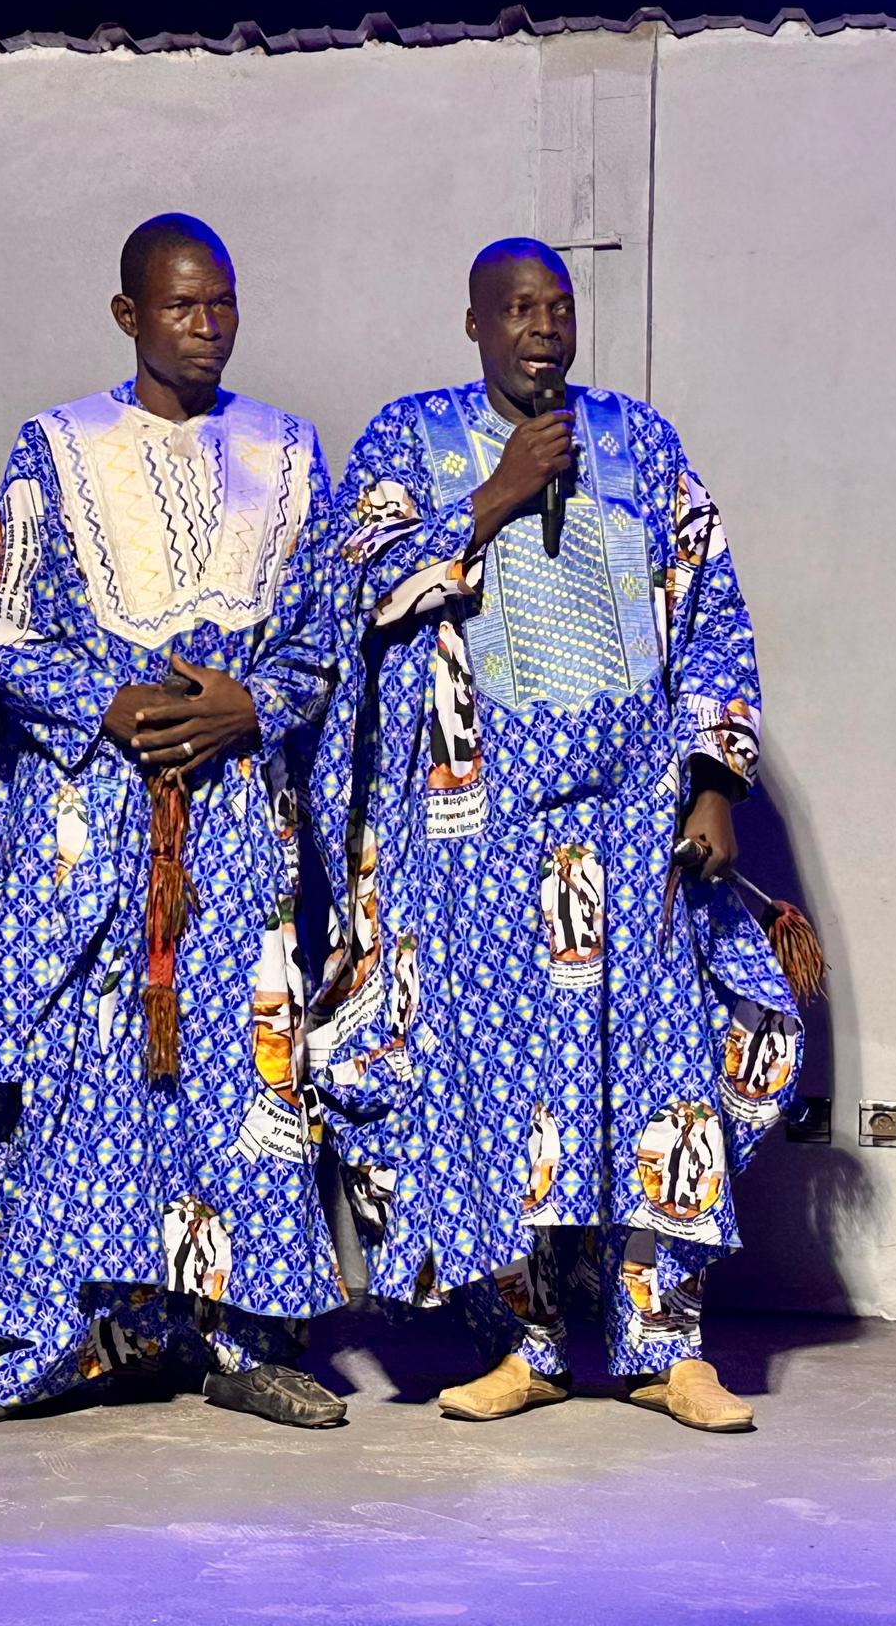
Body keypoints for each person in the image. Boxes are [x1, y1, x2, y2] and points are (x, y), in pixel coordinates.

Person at [310, 238, 804, 1435]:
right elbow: (345, 587)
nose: (542, 328)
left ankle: (663, 1347)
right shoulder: (409, 437)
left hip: (633, 808)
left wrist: (714, 783)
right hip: (475, 814)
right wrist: (493, 495)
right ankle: (521, 1344)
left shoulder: (640, 440)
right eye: (517, 309)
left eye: (558, 308)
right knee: (496, 1076)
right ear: (474, 324)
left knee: (658, 1072)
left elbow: (713, 612)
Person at [0, 213, 348, 1430]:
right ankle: (52, 1343)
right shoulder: (56, 449)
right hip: (92, 812)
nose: (207, 326)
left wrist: (250, 704)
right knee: (76, 1068)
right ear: (128, 316)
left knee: (249, 1069)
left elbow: (328, 633)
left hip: (238, 815)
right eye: (182, 306)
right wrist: (104, 701)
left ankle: (247, 1342)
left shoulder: (287, 450)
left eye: (223, 303)